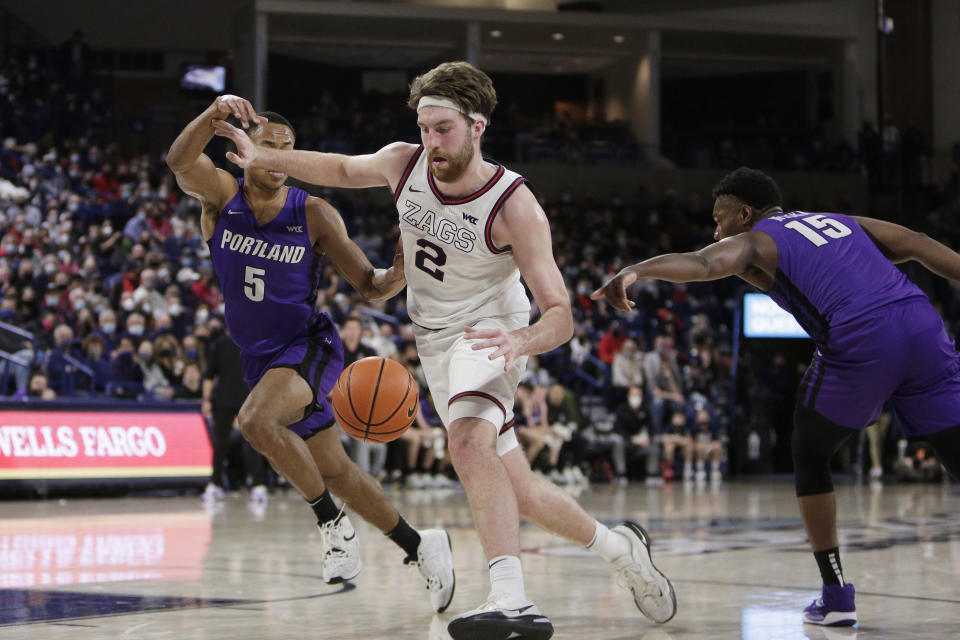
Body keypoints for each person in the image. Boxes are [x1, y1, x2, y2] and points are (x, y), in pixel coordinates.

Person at [212, 62, 676, 639]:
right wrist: (263, 160)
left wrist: (519, 340)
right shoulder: (403, 161)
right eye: (425, 127)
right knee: (522, 491)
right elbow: (336, 167)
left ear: (477, 126)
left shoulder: (515, 204)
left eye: (444, 129)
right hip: (433, 338)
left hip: (490, 332)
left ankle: (511, 598)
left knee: (464, 441)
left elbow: (561, 314)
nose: (431, 140)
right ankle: (620, 548)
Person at [592, 166, 960, 628]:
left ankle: (836, 594)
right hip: (922, 324)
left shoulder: (758, 239)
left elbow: (703, 263)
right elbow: (917, 242)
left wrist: (636, 271)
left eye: (718, 219)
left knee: (809, 452)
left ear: (745, 213)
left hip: (863, 338)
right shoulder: (839, 221)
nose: (715, 230)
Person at [166, 94, 454, 613]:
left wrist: (400, 273)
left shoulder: (314, 212)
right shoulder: (221, 198)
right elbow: (179, 162)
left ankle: (331, 523)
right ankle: (419, 546)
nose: (277, 155)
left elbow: (369, 286)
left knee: (254, 421)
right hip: (260, 359)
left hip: (308, 346)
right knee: (338, 471)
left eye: (287, 148)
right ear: (245, 149)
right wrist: (213, 116)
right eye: (268, 145)